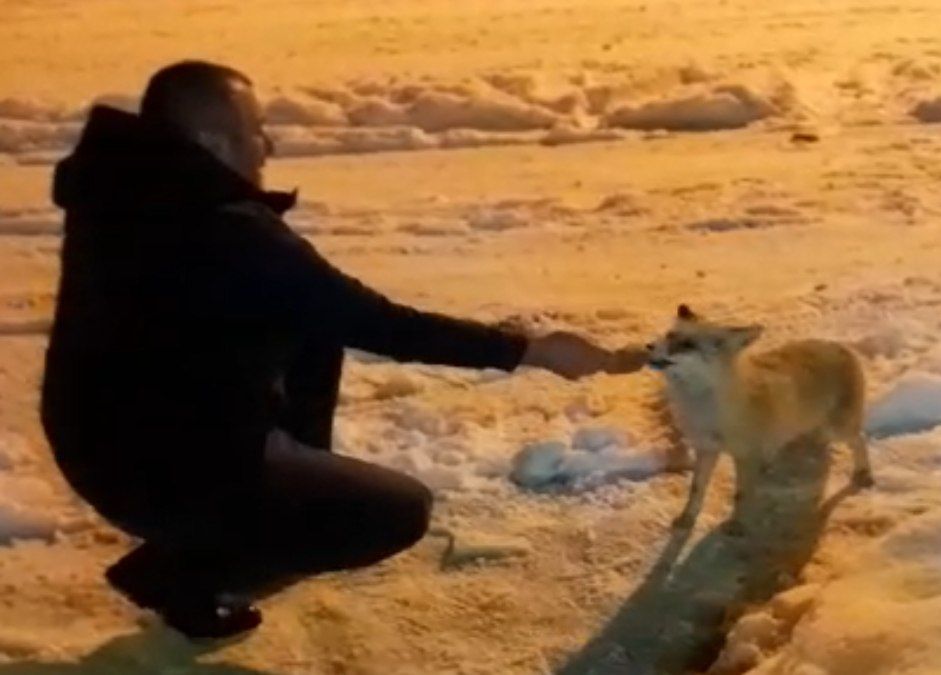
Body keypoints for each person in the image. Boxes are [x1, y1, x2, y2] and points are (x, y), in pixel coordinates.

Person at [40, 61, 644, 640]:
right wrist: (532, 351)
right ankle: (185, 573)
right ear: (212, 141)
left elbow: (316, 309)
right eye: (255, 130)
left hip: (101, 441)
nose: (267, 145)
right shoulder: (225, 228)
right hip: (158, 469)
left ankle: (231, 526)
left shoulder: (129, 194)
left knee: (312, 325)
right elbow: (380, 323)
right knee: (395, 512)